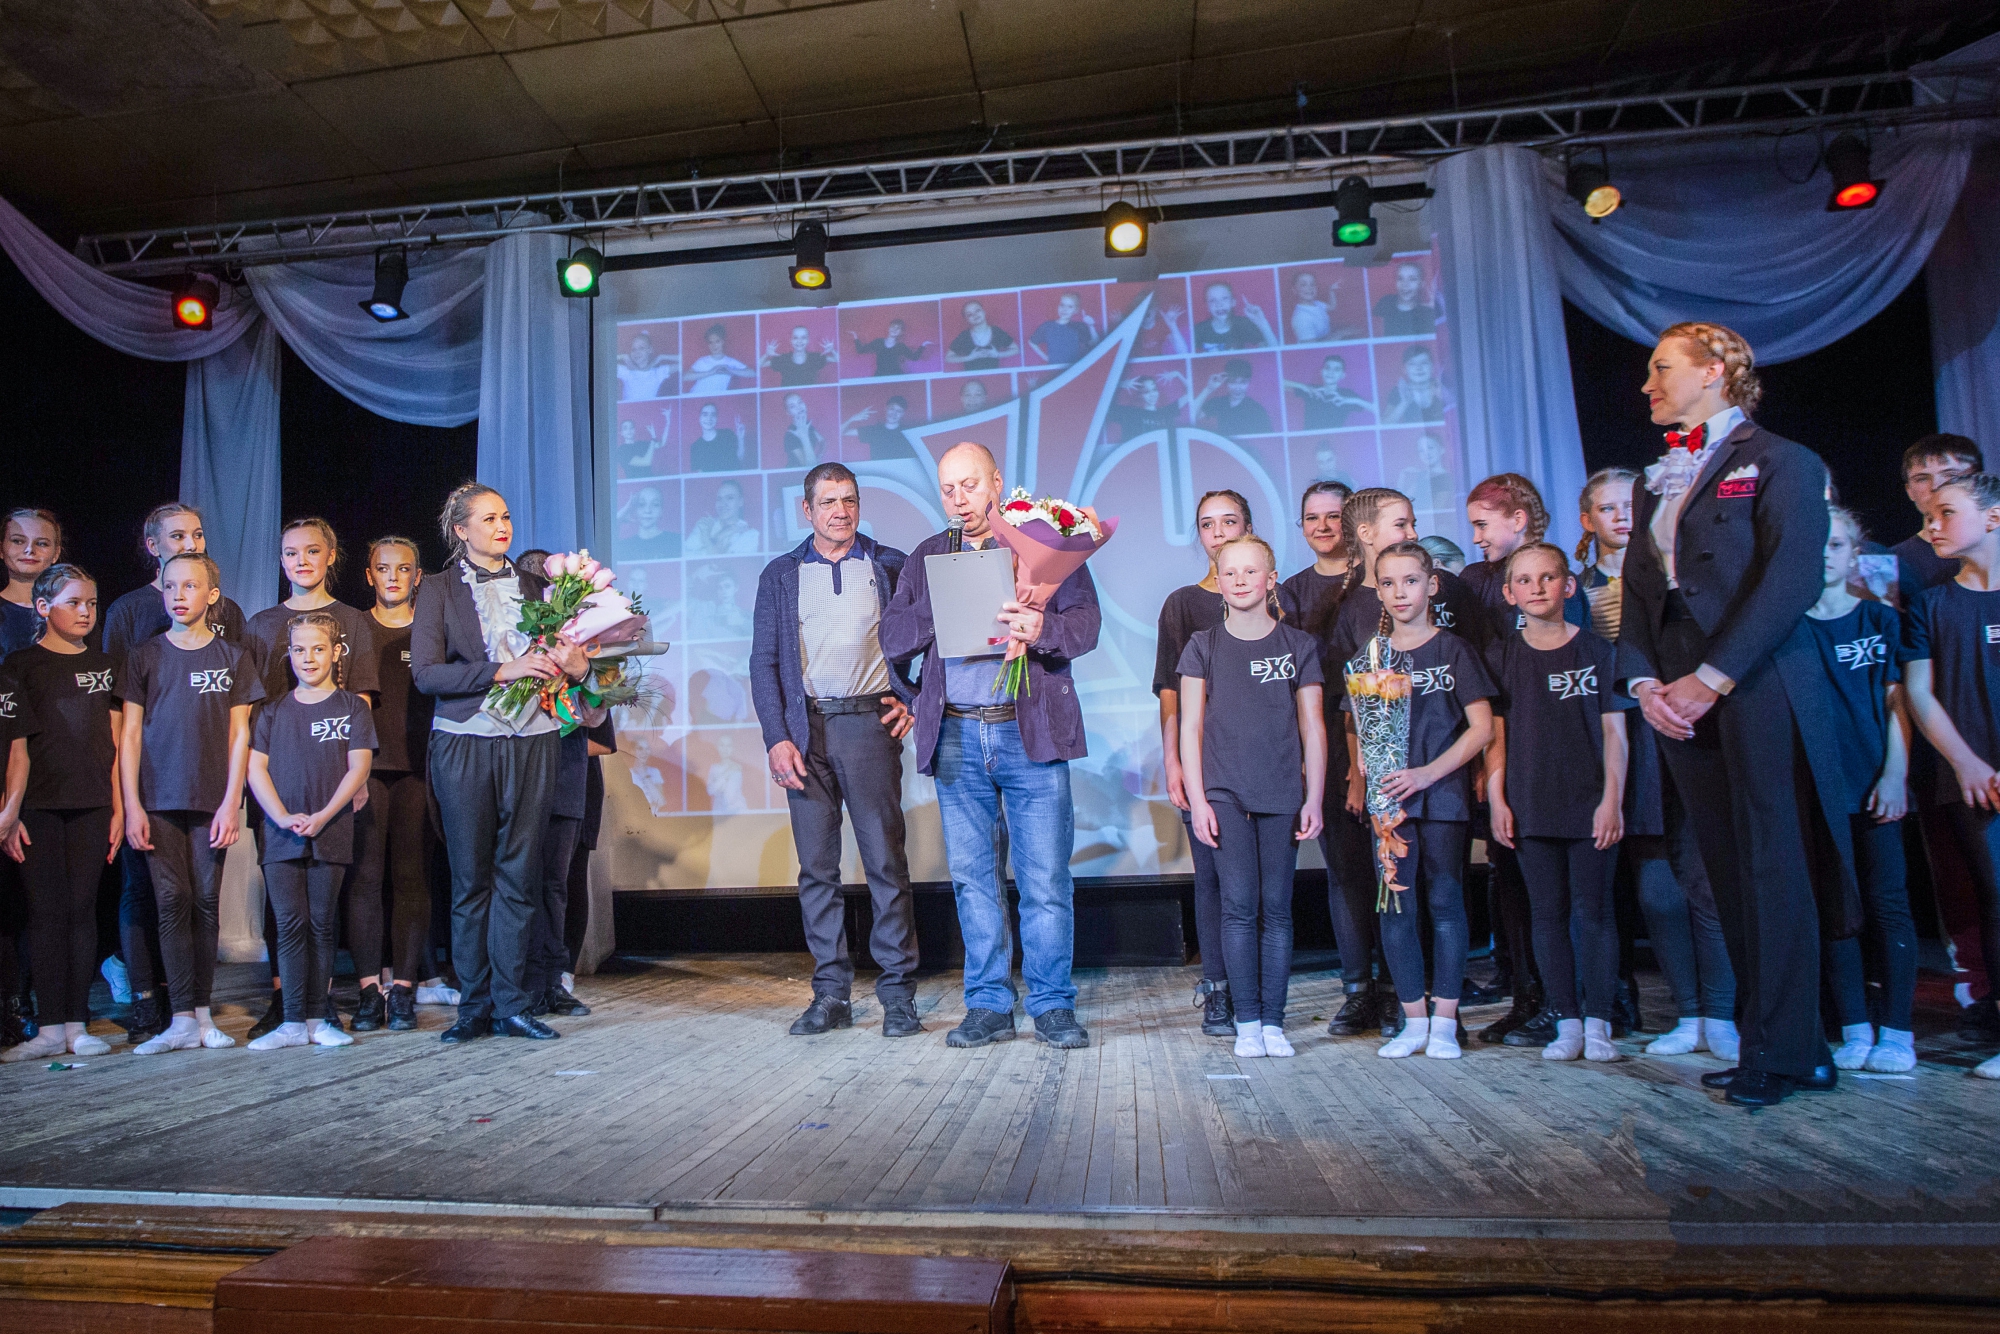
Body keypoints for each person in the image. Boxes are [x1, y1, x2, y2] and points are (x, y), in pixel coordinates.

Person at [1620, 320, 1851, 1108]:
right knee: (1724, 869)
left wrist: (1711, 677)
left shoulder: (1783, 460)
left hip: (1756, 678)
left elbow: (1792, 579)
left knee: (1772, 865)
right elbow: (1639, 594)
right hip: (1677, 689)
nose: (1647, 385)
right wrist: (1645, 684)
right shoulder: (1655, 478)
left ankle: (1786, 1051)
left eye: (1661, 368)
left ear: (1714, 370)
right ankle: (1780, 1044)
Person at [880, 442, 1100, 1050]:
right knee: (973, 880)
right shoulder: (929, 554)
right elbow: (893, 636)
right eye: (948, 489)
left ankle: (1052, 1005)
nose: (959, 499)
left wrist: (1042, 627)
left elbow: (1086, 626)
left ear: (996, 483)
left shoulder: (1042, 543)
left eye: (970, 486)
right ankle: (988, 1004)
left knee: (1045, 879)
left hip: (1028, 732)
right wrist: (943, 604)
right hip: (957, 731)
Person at [412, 483, 590, 1044]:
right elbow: (426, 674)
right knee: (471, 880)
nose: (501, 526)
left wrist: (580, 666)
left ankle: (513, 1003)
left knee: (520, 876)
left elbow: (574, 665)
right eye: (488, 519)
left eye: (505, 516)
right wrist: (500, 670)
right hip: (466, 740)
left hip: (534, 739)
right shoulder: (437, 589)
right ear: (460, 530)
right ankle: (474, 1006)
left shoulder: (540, 588)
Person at [751, 462, 921, 1038]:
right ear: (807, 510)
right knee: (817, 869)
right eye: (828, 502)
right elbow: (763, 663)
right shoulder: (781, 574)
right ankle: (830, 994)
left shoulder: (891, 564)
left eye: (849, 500)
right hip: (805, 731)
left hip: (869, 725)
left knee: (885, 862)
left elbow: (934, 641)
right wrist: (776, 737)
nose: (840, 511)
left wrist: (916, 700)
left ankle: (898, 994)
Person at [1576, 468, 1736, 1062]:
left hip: (1692, 723)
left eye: (1631, 505)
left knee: (1707, 880)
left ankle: (1722, 1013)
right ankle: (1687, 1011)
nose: (1622, 516)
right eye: (1607, 507)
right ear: (1588, 519)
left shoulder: (1687, 572)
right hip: (1630, 737)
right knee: (1659, 891)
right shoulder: (1577, 588)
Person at [100, 503, 249, 1045]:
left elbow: (240, 734)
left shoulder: (233, 656)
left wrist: (232, 801)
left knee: (206, 903)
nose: (179, 595)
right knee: (169, 901)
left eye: (191, 586)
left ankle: (202, 1015)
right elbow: (130, 735)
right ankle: (179, 1017)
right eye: (171, 587)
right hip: (157, 800)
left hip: (212, 798)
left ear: (212, 595)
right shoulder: (144, 655)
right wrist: (132, 805)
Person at [1179, 534, 1325, 1059]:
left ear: (1271, 578)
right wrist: (1198, 800)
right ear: (1218, 581)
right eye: (1230, 572)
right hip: (1224, 794)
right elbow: (1190, 727)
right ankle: (1246, 1022)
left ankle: (1273, 1022)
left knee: (1277, 909)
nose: (1240, 580)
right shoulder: (1202, 646)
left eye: (1251, 571)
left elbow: (1313, 727)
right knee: (1238, 907)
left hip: (1282, 791)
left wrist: (1314, 797)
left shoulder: (1298, 646)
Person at [1484, 543, 1630, 1063]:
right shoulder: (1501, 657)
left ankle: (1600, 1023)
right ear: (1509, 593)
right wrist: (1498, 799)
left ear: (1568, 585)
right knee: (1546, 915)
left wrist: (1612, 800)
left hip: (1591, 804)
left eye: (1547, 577)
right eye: (1524, 580)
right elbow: (1494, 737)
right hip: (1530, 804)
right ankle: (1566, 1020)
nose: (1537, 588)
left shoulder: (1599, 652)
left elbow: (1615, 734)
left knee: (1595, 914)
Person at [1351, 540, 1495, 1061]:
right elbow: (1361, 730)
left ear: (1431, 585)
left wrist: (1429, 773)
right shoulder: (1369, 657)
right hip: (1392, 803)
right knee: (1396, 906)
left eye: (1410, 581)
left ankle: (1445, 1023)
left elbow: (1481, 728)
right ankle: (1413, 1021)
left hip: (1444, 794)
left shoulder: (1454, 650)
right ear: (1377, 592)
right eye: (1388, 583)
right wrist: (1366, 763)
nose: (1400, 592)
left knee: (1446, 902)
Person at [241, 517, 380, 1040]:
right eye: (291, 552)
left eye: (312, 551)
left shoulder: (351, 621)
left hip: (331, 783)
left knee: (326, 909)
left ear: (330, 555)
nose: (301, 561)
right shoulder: (261, 624)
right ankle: (287, 1004)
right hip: (278, 783)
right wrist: (271, 804)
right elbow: (250, 709)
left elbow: (358, 701)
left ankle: (320, 1009)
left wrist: (356, 776)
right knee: (285, 908)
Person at [1805, 507, 1916, 1074]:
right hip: (1820, 793)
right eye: (1817, 543)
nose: (1826, 554)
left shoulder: (1880, 619)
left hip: (1878, 787)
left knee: (1889, 904)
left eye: (1838, 544)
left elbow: (1900, 703)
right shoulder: (1789, 630)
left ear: (1855, 553)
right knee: (1836, 908)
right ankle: (1854, 1028)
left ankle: (1897, 1032)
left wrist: (1895, 776)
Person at [1898, 472, 2000, 1080]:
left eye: (1946, 513)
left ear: (1993, 517)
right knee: (1996, 896)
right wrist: (1967, 762)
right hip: (1973, 779)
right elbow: (1918, 692)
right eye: (1929, 515)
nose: (1932, 526)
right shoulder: (1932, 604)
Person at [0, 564, 121, 1061]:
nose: (85, 612)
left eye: (91, 603)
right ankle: (49, 1027)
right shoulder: (21, 666)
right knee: (46, 914)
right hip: (39, 808)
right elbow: (16, 749)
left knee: (81, 911)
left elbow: (116, 744)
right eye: (74, 603)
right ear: (43, 607)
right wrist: (11, 812)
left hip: (94, 805)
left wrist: (119, 808)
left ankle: (76, 1024)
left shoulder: (106, 666)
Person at [1281, 483, 1388, 1034]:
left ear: (1354, 523)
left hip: (1391, 744)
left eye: (1332, 516)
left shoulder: (1385, 582)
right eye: (1311, 518)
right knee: (1346, 872)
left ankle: (1400, 987)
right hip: (1328, 745)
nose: (1322, 526)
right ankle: (1359, 990)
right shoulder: (1292, 593)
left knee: (1394, 870)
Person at [1155, 491, 1258, 1037]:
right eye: (1207, 524)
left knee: (1262, 882)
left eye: (1229, 522)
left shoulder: (1275, 600)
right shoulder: (1182, 605)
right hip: (1205, 761)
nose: (1218, 533)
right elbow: (1170, 692)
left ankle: (1258, 991)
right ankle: (1217, 988)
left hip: (1264, 758)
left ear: (1249, 528)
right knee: (1213, 877)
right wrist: (1173, 759)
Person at [351, 537, 436, 1031]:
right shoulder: (354, 627)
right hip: (366, 768)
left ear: (417, 576)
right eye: (383, 568)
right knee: (364, 878)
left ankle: (403, 989)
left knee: (411, 876)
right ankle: (368, 990)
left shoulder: (430, 630)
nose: (393, 577)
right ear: (369, 575)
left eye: (403, 569)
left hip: (418, 769)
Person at [1893, 435, 1981, 605]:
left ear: (1977, 481)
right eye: (1922, 479)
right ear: (1909, 491)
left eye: (1950, 475)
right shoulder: (1890, 562)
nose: (1935, 486)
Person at [1, 508, 60, 657]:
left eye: (41, 543)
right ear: (1, 549)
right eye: (18, 541)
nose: (29, 550)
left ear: (56, 553)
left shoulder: (74, 610)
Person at [1192, 359, 1274, 438]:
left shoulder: (1257, 410)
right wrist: (1208, 389)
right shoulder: (1219, 403)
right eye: (1233, 382)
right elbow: (1192, 415)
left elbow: (1267, 439)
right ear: (1226, 382)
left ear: (1249, 382)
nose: (1237, 388)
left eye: (1243, 382)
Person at [1285, 356, 1370, 430]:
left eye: (1336, 369)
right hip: (1308, 439)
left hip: (1335, 439)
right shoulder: (1311, 389)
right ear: (1321, 371)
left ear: (1342, 375)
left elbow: (1375, 409)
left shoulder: (1347, 394)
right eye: (1327, 368)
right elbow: (1280, 383)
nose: (1330, 372)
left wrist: (1352, 400)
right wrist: (1302, 386)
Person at [1190, 281, 1274, 352]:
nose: (1219, 304)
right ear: (1207, 307)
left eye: (1224, 298)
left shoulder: (1244, 324)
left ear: (1233, 302)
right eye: (1212, 300)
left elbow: (1273, 352)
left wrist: (1262, 323)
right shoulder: (1198, 330)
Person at [686, 481, 761, 558]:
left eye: (730, 498)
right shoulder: (704, 525)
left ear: (740, 502)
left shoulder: (750, 534)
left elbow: (728, 563)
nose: (723, 504)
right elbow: (686, 556)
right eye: (719, 499)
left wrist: (708, 539)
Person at [1384, 345, 1450, 424]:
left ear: (1432, 367)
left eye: (1424, 363)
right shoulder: (1397, 392)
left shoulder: (1443, 386)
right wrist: (1404, 403)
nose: (1418, 368)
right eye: (1412, 364)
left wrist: (1444, 395)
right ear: (1404, 369)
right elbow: (1385, 423)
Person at [842, 395, 921, 461]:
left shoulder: (909, 433)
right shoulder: (874, 431)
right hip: (879, 473)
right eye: (892, 409)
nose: (894, 413)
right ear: (886, 409)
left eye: (899, 411)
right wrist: (852, 419)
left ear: (903, 413)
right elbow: (841, 432)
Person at [1109, 374, 1186, 441]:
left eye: (1154, 390)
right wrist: (1120, 384)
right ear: (1139, 395)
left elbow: (1189, 394)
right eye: (1146, 392)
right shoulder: (1130, 413)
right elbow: (1106, 408)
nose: (1152, 394)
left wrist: (1177, 374)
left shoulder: (1165, 412)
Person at [1028, 292, 1098, 366]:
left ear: (1076, 310)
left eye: (1070, 307)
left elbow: (1095, 344)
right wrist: (1046, 358)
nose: (1064, 309)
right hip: (1054, 369)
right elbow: (1032, 342)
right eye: (1062, 305)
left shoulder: (1079, 327)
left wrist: (1091, 326)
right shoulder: (1047, 326)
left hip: (1073, 368)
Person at [1397, 434, 1457, 519]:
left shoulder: (1445, 478)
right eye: (1421, 451)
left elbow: (1437, 509)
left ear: (1441, 449)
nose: (1426, 453)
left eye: (1430, 448)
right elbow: (1402, 502)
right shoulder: (1421, 476)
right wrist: (1402, 477)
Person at [946, 300, 1019, 369]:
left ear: (984, 312)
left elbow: (1016, 349)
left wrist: (997, 355)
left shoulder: (997, 331)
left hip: (993, 375)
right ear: (966, 319)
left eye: (977, 310)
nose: (975, 315)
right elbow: (948, 358)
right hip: (971, 374)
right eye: (969, 314)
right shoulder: (964, 336)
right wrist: (969, 358)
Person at [686, 323, 754, 395]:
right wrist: (711, 372)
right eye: (711, 342)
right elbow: (685, 377)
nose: (714, 345)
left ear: (722, 342)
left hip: (716, 397)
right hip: (696, 396)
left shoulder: (730, 362)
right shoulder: (702, 361)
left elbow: (752, 373)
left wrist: (730, 370)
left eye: (717, 341)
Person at [1373, 262, 1438, 336]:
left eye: (1412, 279)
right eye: (1400, 278)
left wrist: (1431, 311)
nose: (1405, 284)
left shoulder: (1427, 312)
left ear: (1421, 284)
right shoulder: (1385, 303)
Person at [617, 487, 682, 561]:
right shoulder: (624, 546)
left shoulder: (676, 541)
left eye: (655, 504)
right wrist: (618, 518)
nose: (647, 510)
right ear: (635, 510)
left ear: (661, 511)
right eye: (642, 504)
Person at [850, 319, 931, 378]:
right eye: (893, 326)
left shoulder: (901, 346)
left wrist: (923, 345)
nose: (894, 329)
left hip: (896, 376)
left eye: (898, 328)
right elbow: (860, 350)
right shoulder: (878, 342)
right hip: (880, 376)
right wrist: (855, 336)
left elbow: (914, 357)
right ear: (889, 328)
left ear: (901, 332)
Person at [761, 325, 837, 387]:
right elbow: (759, 365)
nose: (799, 341)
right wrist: (766, 355)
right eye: (795, 338)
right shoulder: (783, 359)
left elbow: (837, 359)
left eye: (803, 337)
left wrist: (832, 351)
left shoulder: (815, 358)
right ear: (791, 340)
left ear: (808, 340)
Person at [616, 328, 679, 401]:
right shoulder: (625, 372)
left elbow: (684, 360)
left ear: (650, 350)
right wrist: (623, 356)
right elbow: (605, 361)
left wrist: (661, 357)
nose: (637, 352)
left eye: (641, 348)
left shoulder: (658, 372)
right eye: (633, 349)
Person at [689, 403, 748, 474]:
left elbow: (740, 458)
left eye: (713, 415)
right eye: (705, 414)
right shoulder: (695, 446)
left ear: (717, 418)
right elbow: (700, 473)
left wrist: (740, 437)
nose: (709, 419)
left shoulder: (727, 434)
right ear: (699, 418)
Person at [1286, 270, 1335, 344]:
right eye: (1303, 285)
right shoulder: (1301, 318)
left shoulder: (1318, 304)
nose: (1310, 288)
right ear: (1294, 290)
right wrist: (1339, 335)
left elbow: (1332, 307)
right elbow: (1312, 348)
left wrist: (1331, 291)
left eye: (1312, 284)